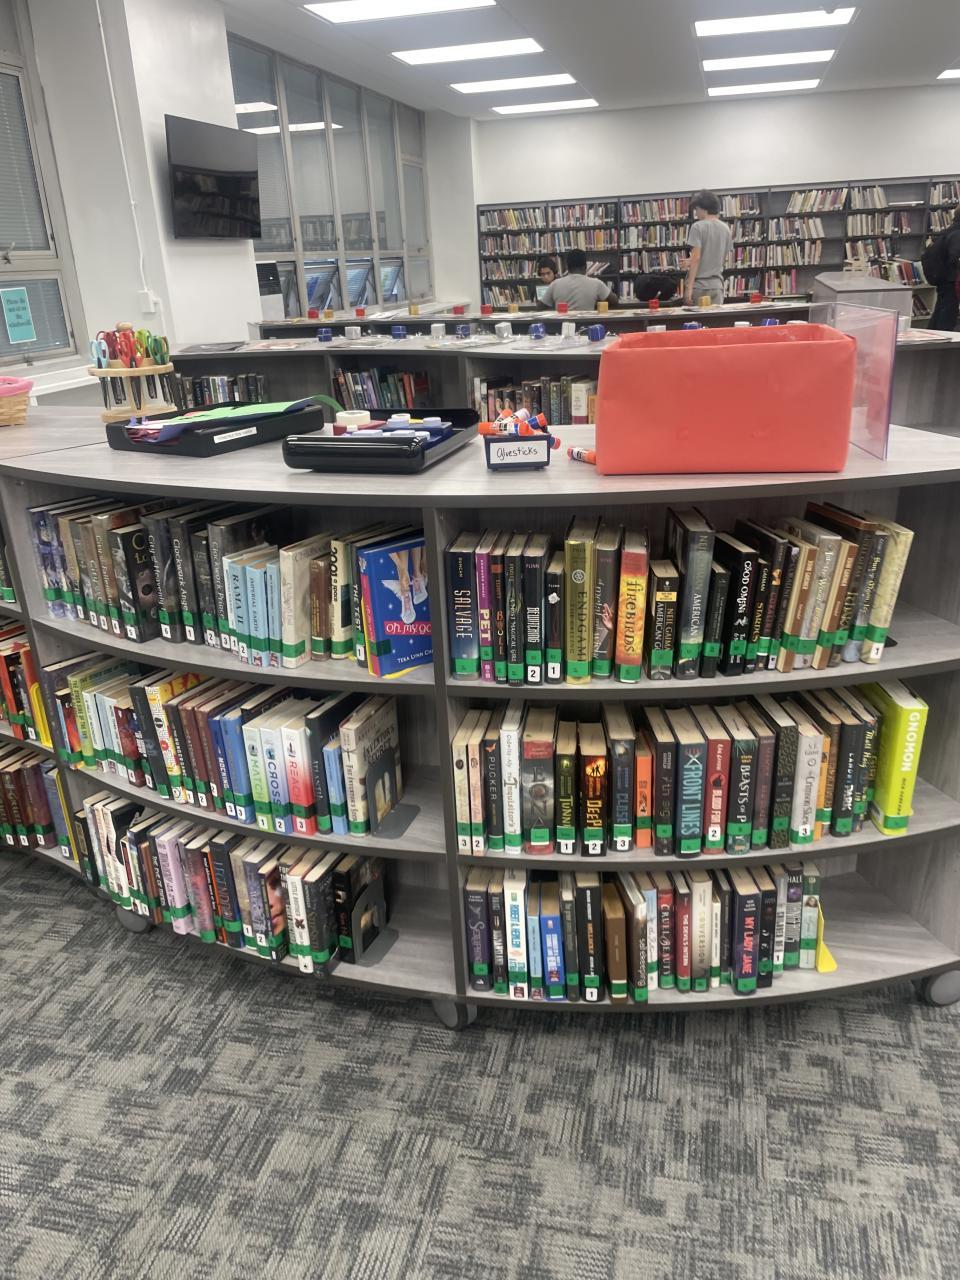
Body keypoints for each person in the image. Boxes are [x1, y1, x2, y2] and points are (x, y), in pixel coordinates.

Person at [683, 190, 733, 307]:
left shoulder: (697, 227)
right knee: (715, 318)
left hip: (699, 287)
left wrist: (689, 288)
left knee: (696, 319)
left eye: (696, 209)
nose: (696, 214)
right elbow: (720, 258)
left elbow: (696, 258)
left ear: (703, 208)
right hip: (717, 287)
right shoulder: (726, 228)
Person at [539, 248, 617, 310]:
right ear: (585, 267)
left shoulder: (555, 284)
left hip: (563, 325)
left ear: (567, 267)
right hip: (586, 324)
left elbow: (540, 307)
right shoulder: (596, 283)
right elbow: (614, 301)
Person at [927, 211, 960, 332]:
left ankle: (932, 337)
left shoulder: (949, 231)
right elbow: (955, 257)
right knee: (947, 315)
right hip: (952, 280)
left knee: (941, 310)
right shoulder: (957, 234)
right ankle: (942, 339)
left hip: (944, 278)